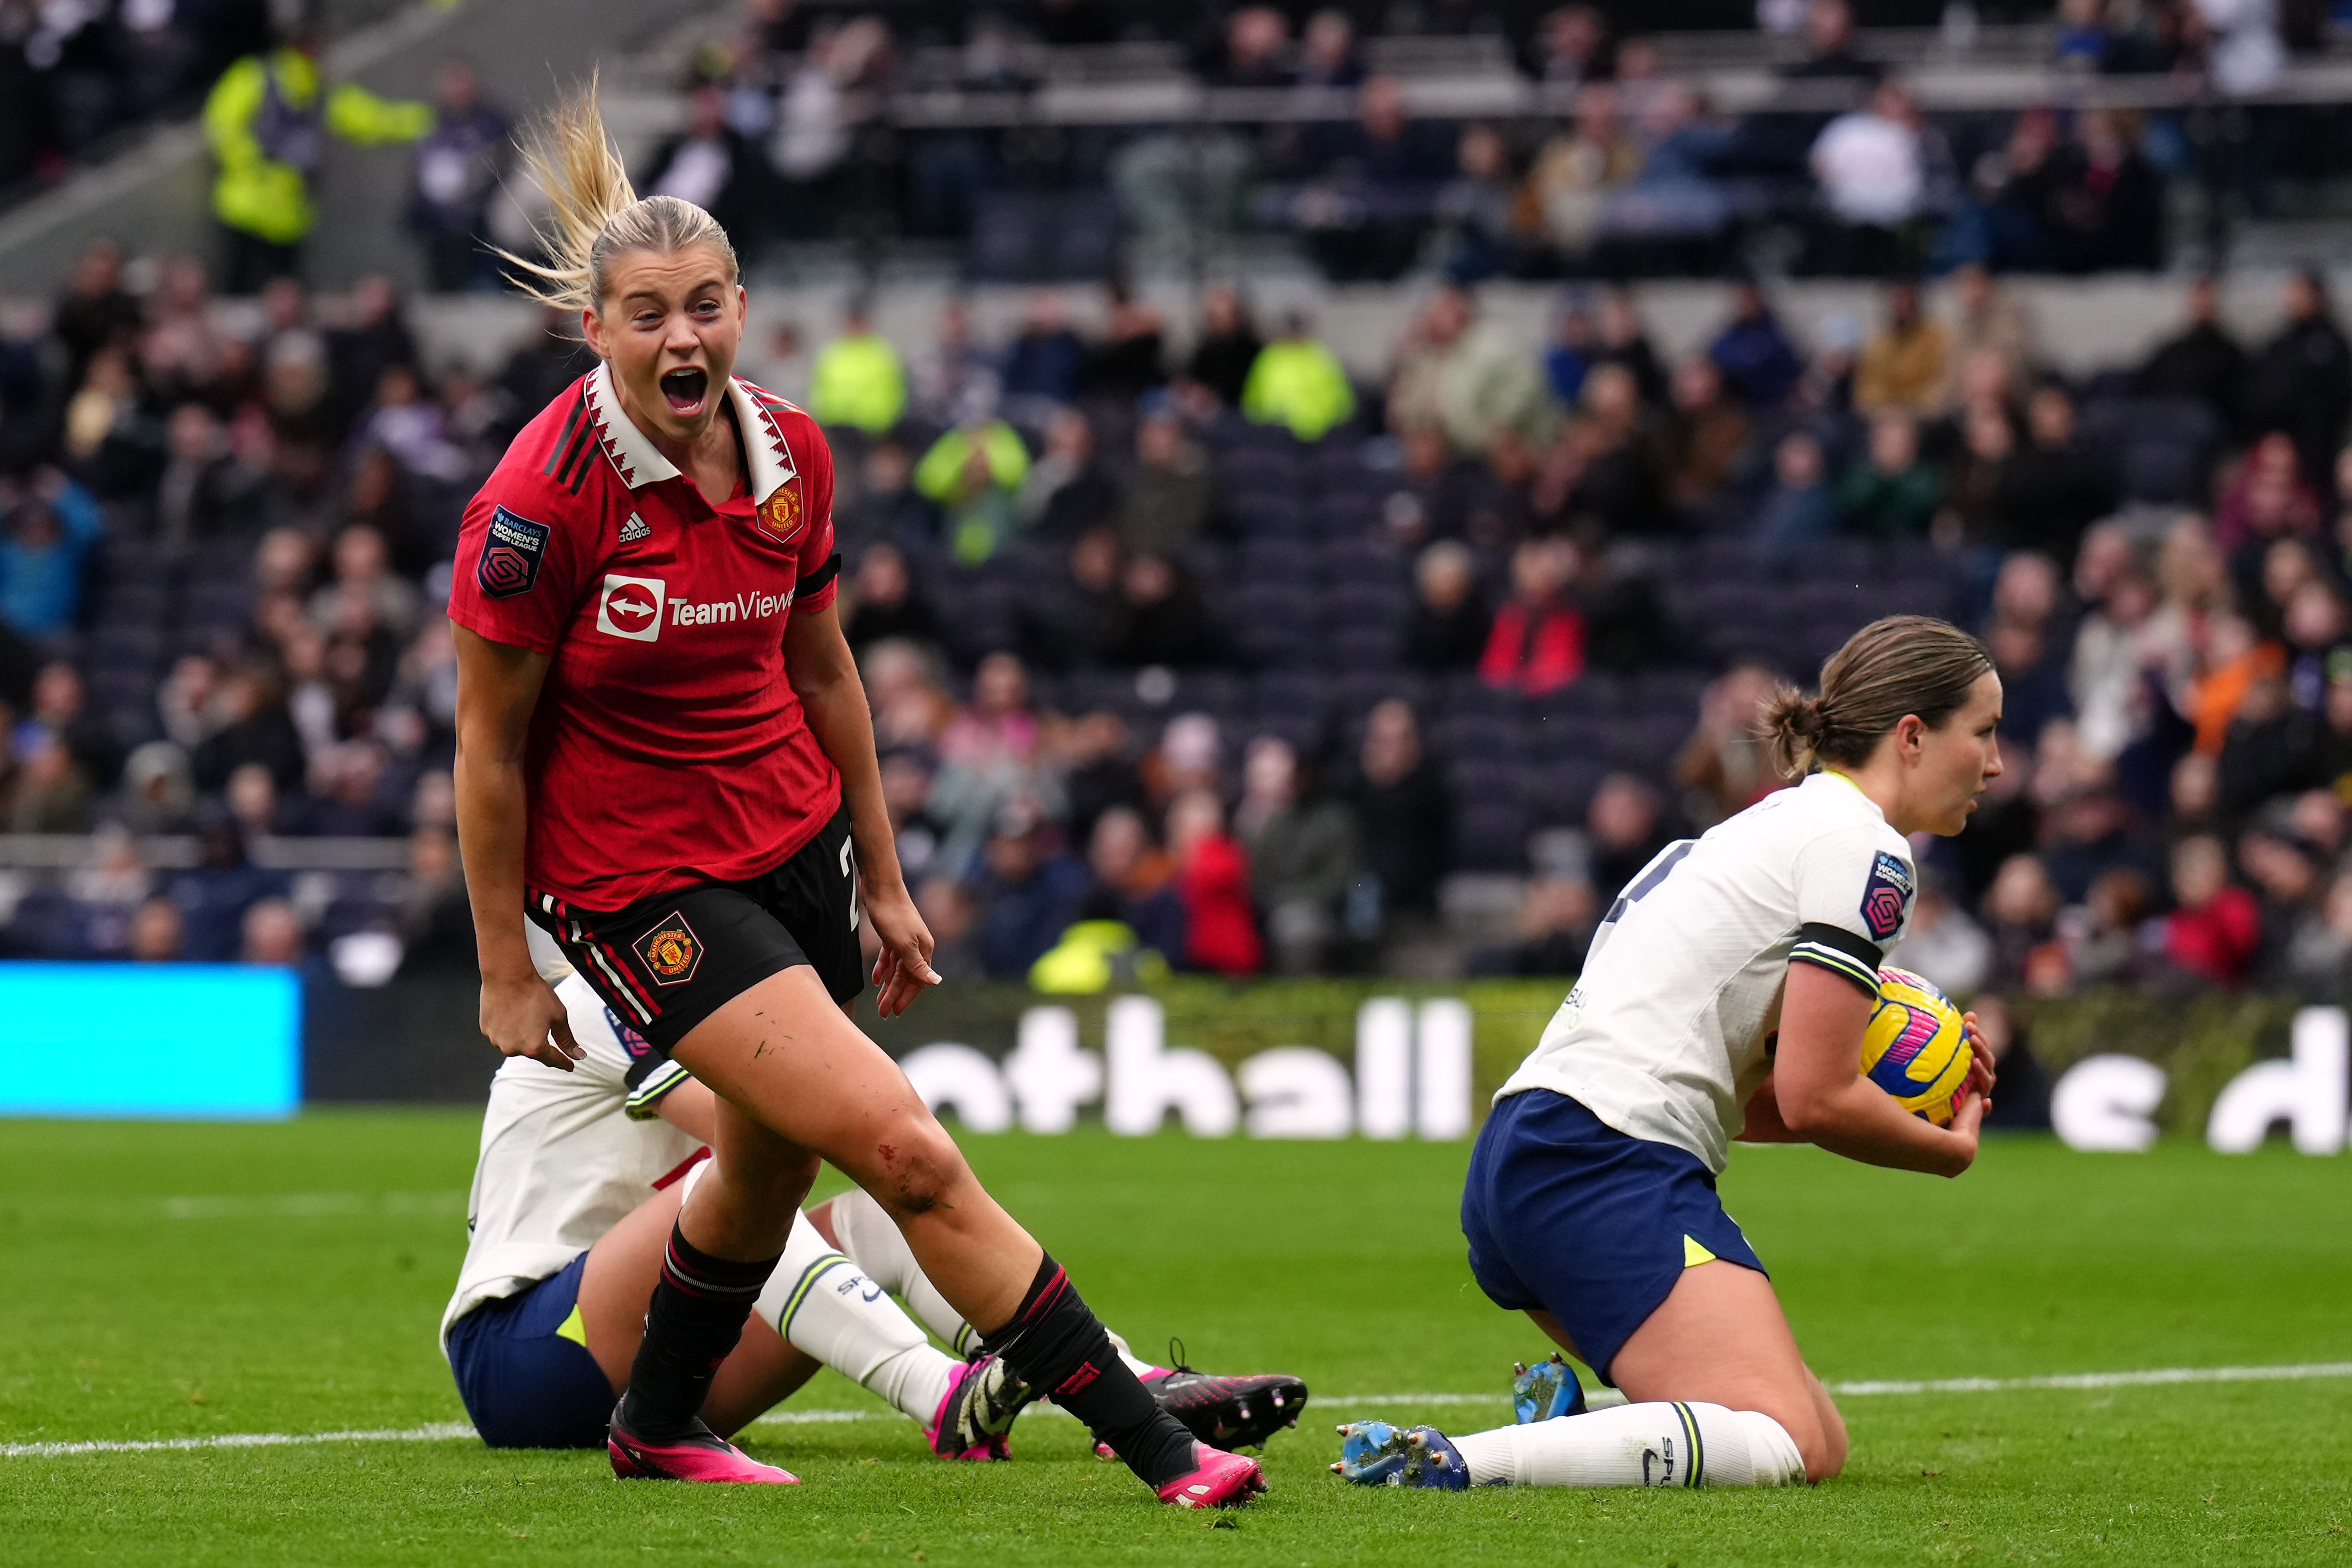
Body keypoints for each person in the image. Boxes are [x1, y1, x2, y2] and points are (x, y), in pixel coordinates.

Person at [448, 88, 1263, 1506]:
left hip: (792, 853)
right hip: (640, 890)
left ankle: (652, 1426)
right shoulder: (536, 508)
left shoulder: (794, 459)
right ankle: (1161, 1446)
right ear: (596, 332)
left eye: (704, 306)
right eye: (645, 314)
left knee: (761, 1186)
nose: (681, 337)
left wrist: (879, 877)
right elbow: (486, 746)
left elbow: (825, 674)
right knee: (902, 1150)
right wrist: (501, 967)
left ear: (743, 308)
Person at [1338, 615, 1999, 1492]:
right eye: (1985, 732)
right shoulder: (1868, 850)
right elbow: (1814, 1095)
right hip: (1601, 1164)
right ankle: (1457, 1461)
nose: (1996, 762)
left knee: (1819, 1439)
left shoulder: (1764, 828)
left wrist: (1870, 1101)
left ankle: (1574, 1429)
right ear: (1912, 736)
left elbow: (1760, 1097)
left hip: (1531, 1153)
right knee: (1786, 1441)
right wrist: (1942, 1147)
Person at [443, 949, 1306, 1455]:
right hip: (523, 1350)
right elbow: (767, 1136)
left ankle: (1128, 1387)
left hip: (652, 1358)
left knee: (875, 1214)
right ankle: (943, 1396)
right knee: (745, 1182)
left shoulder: (680, 976)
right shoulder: (605, 991)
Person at [201, 27, 433, 291]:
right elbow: (373, 120)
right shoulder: (272, 80)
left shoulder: (269, 78)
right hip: (260, 207)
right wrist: (254, 164)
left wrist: (248, 164)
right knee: (267, 292)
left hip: (264, 207)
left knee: (248, 293)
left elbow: (370, 119)